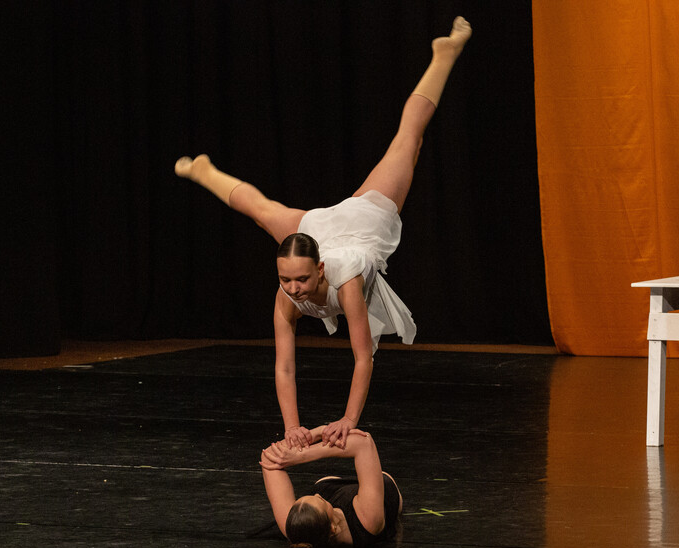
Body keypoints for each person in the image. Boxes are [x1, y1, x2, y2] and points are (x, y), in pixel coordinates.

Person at [176, 17, 472, 451]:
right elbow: (284, 367)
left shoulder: (345, 279)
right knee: (262, 212)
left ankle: (444, 54)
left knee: (409, 139)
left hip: (364, 223)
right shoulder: (286, 292)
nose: (293, 289)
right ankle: (205, 171)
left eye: (300, 279)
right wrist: (292, 427)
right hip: (320, 229)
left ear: (319, 269)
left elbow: (363, 357)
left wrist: (348, 420)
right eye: (285, 279)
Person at [260, 426, 403, 548]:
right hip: (383, 490)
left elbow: (269, 456)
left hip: (330, 487)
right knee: (381, 478)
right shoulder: (369, 520)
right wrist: (301, 456)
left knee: (321, 489)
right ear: (333, 529)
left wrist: (319, 433)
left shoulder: (296, 528)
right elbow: (364, 442)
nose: (317, 495)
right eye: (320, 501)